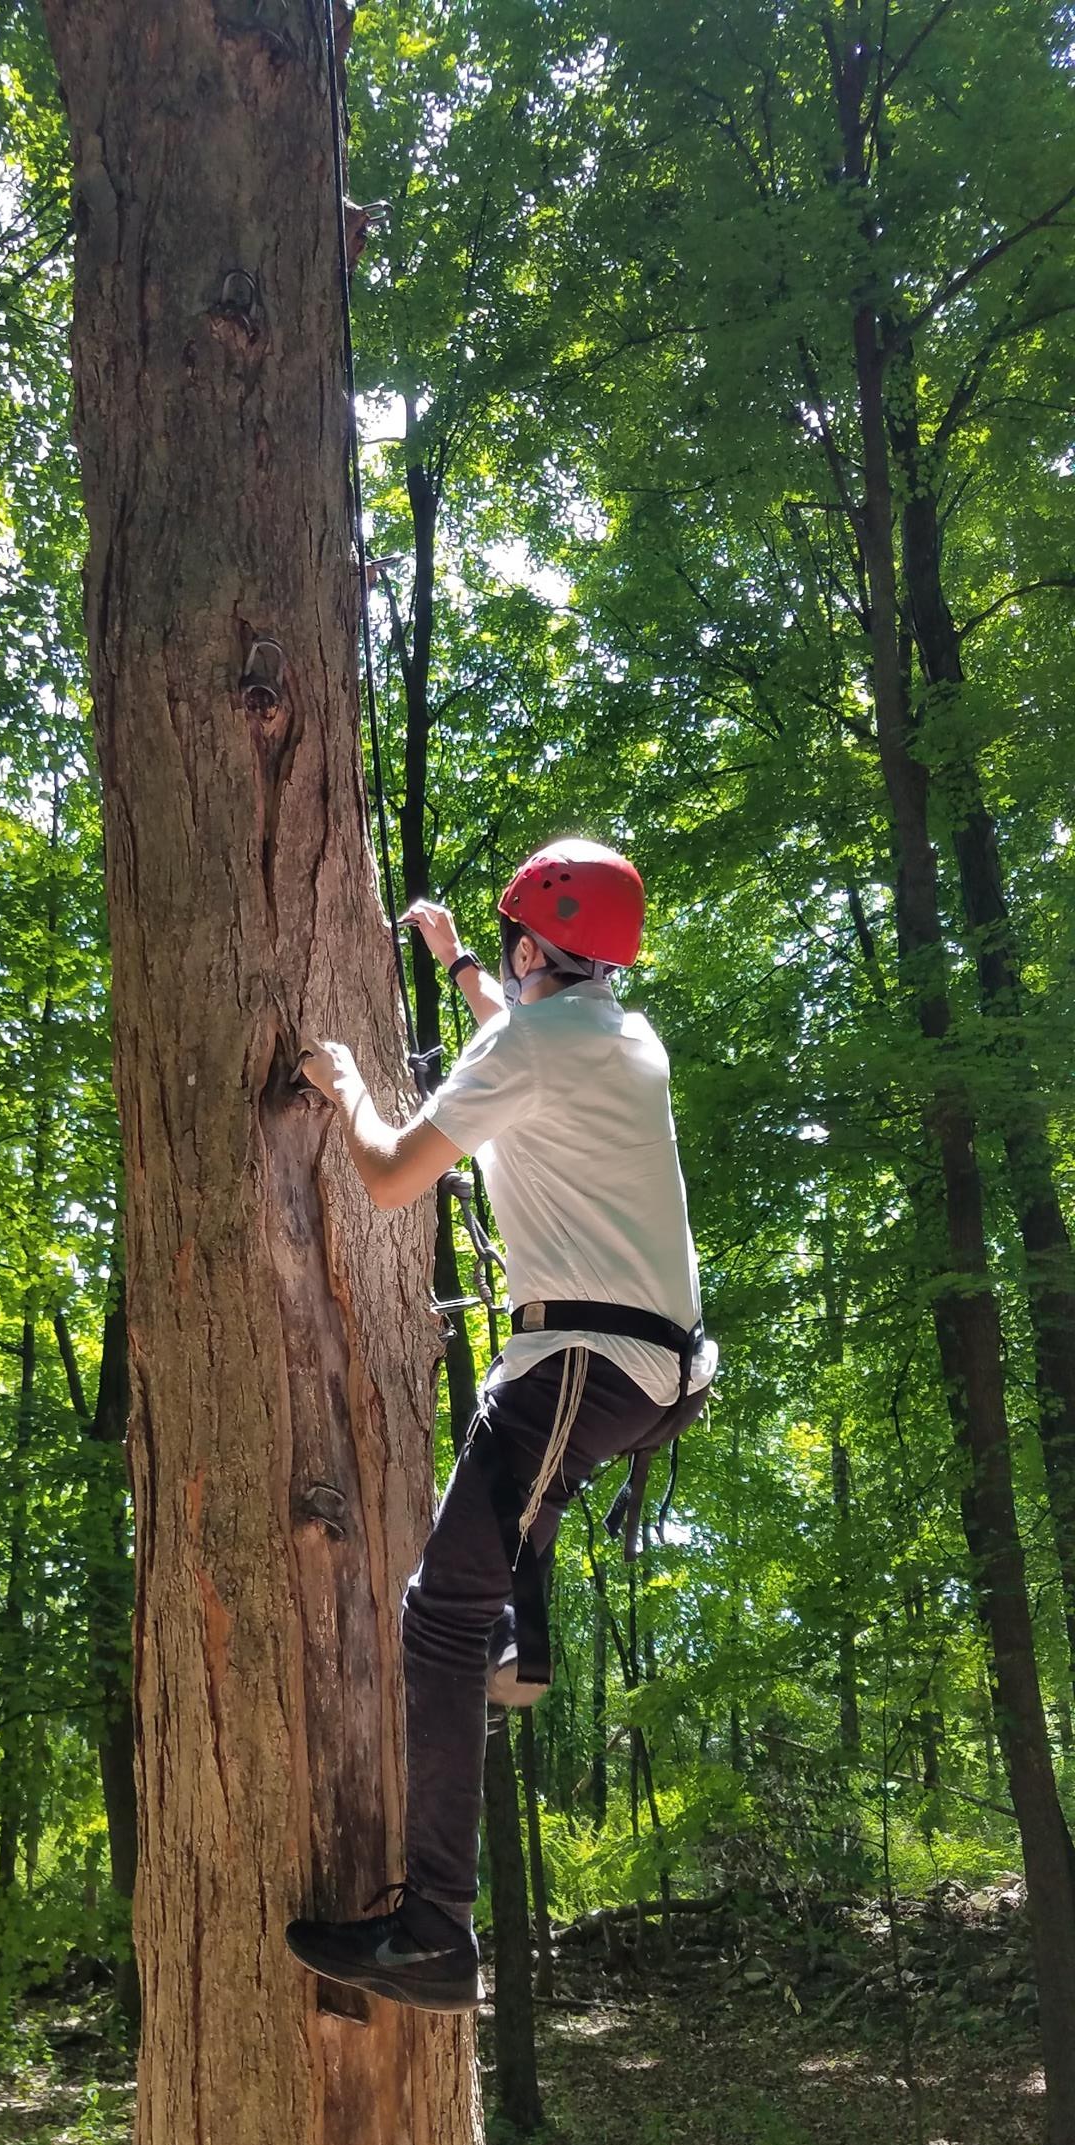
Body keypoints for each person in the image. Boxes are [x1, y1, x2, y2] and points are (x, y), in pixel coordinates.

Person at [286, 839, 716, 2011]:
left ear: (534, 950)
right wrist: (461, 964)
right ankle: (512, 1640)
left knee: (437, 1615)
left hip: (585, 1362)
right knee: (495, 1505)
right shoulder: (620, 1035)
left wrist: (343, 1083)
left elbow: (389, 1175)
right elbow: (516, 1032)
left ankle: (433, 1928)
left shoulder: (529, 1048)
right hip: (645, 1369)